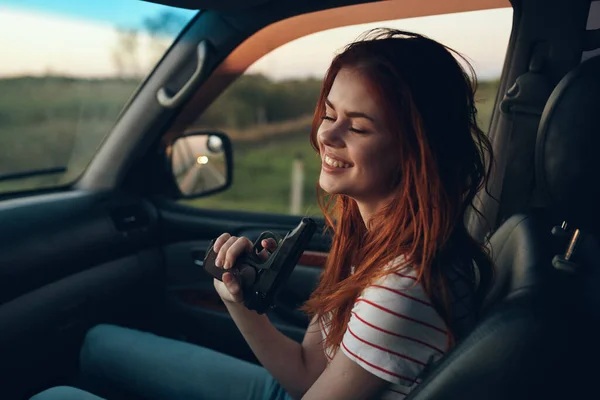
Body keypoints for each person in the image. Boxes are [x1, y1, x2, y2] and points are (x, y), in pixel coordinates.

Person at [31, 28, 494, 400]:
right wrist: (240, 301)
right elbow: (308, 373)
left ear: (417, 151)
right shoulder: (371, 242)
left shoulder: (400, 288)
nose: (326, 137)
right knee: (98, 342)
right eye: (329, 114)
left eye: (358, 127)